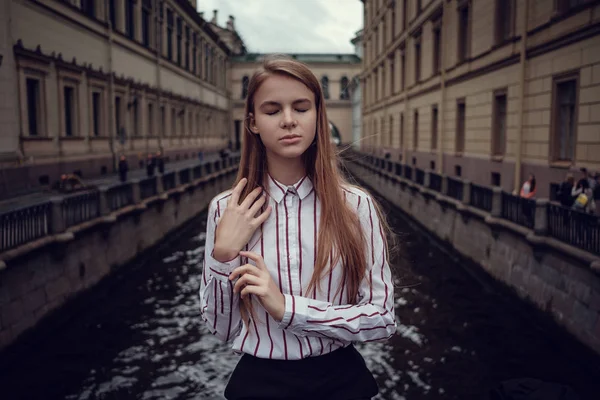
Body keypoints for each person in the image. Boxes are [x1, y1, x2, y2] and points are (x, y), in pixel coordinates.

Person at [199, 57, 396, 400]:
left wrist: (288, 308)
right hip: (259, 386)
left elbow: (382, 318)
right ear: (254, 122)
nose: (289, 120)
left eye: (301, 108)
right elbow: (221, 328)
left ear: (319, 116)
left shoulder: (356, 206)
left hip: (342, 384)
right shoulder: (225, 210)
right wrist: (223, 255)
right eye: (273, 110)